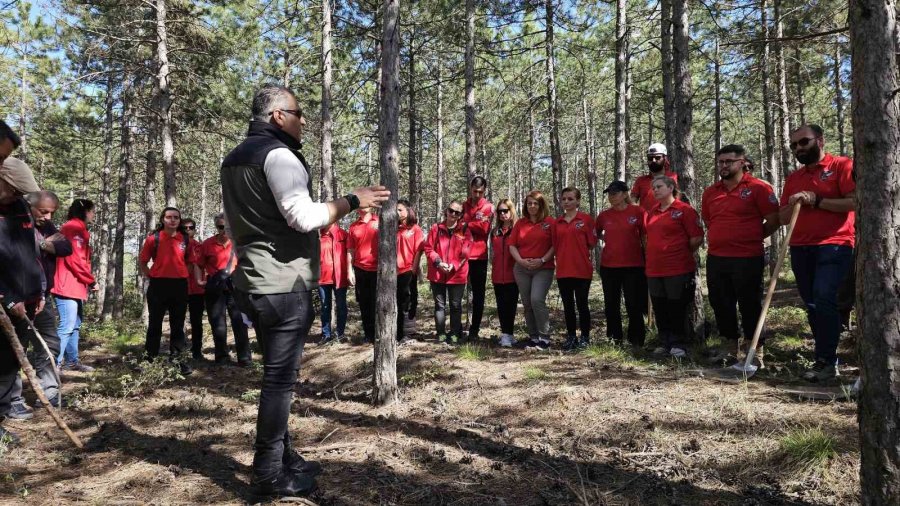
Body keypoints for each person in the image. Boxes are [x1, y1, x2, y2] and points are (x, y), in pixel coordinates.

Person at [220, 84, 388, 497]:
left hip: (253, 282)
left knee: (276, 378)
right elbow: (301, 215)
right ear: (278, 115)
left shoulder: (234, 158)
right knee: (279, 383)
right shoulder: (278, 155)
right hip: (282, 284)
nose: (303, 122)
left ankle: (282, 457)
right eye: (298, 113)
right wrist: (353, 200)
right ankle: (267, 473)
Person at [780, 124, 855, 382]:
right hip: (800, 246)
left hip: (835, 243)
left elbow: (855, 201)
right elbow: (781, 218)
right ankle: (823, 356)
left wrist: (817, 200)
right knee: (812, 303)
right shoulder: (793, 178)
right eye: (793, 146)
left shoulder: (841, 165)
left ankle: (828, 359)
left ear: (820, 140)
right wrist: (793, 205)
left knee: (825, 297)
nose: (798, 148)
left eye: (803, 142)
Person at [702, 145, 780, 366]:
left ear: (742, 162)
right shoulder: (711, 192)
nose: (724, 166)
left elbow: (773, 219)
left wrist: (753, 236)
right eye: (720, 162)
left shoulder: (758, 188)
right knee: (721, 303)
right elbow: (709, 221)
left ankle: (755, 350)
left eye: (729, 161)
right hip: (717, 257)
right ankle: (729, 346)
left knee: (750, 304)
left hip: (748, 256)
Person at [7, 191, 72, 420]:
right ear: (29, 206)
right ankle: (12, 401)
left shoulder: (46, 227)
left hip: (41, 297)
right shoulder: (14, 224)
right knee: (15, 349)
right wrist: (44, 246)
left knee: (50, 343)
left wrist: (42, 242)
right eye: (43, 211)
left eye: (52, 213)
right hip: (17, 300)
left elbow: (65, 247)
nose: (47, 216)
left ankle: (49, 392)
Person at [0, 154, 43, 445]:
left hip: (24, 299)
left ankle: (2, 415)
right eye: (12, 188)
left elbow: (31, 252)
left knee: (8, 361)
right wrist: (7, 296)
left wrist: (37, 289)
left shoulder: (20, 208)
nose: (16, 195)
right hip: (6, 297)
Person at [644, 176, 703, 358]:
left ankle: (679, 344)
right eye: (653, 188)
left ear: (671, 188)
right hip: (654, 269)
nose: (655, 190)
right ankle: (665, 342)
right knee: (660, 307)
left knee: (676, 306)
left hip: (678, 268)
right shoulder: (652, 212)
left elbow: (696, 238)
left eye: (659, 186)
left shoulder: (684, 210)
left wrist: (678, 252)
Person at [138, 206, 194, 376]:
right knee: (155, 325)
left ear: (179, 220)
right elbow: (143, 261)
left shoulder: (185, 239)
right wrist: (152, 275)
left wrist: (183, 274)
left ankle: (178, 361)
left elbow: (191, 261)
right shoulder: (153, 238)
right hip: (158, 286)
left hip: (179, 286)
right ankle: (149, 360)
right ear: (163, 219)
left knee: (177, 326)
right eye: (169, 217)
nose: (172, 220)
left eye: (176, 217)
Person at [595, 181, 647, 347]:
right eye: (609, 193)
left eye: (615, 193)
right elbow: (595, 234)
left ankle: (636, 340)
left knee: (633, 304)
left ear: (625, 194)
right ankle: (614, 338)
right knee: (611, 304)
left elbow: (646, 236)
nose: (611, 196)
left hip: (633, 265)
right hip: (609, 266)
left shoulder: (638, 212)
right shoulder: (603, 216)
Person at [195, 213, 251, 365]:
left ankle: (244, 357)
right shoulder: (207, 244)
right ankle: (221, 357)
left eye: (228, 227)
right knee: (217, 323)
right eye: (221, 227)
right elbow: (198, 264)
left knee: (239, 322)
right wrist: (199, 280)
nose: (224, 230)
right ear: (216, 227)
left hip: (236, 287)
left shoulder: (239, 243)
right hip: (215, 287)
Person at [53, 198, 98, 372]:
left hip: (76, 284)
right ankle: (54, 364)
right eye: (92, 211)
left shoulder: (78, 228)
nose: (94, 215)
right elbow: (75, 259)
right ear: (85, 211)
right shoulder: (73, 228)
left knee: (76, 324)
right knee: (67, 325)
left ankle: (72, 362)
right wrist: (91, 280)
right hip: (66, 284)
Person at [509, 190, 556, 350]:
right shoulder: (521, 223)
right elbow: (512, 245)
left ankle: (545, 337)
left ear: (541, 205)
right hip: (522, 269)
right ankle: (534, 337)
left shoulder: (550, 222)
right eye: (529, 203)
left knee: (537, 299)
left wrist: (542, 260)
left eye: (536, 203)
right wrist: (521, 261)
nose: (532, 206)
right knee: (527, 303)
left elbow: (554, 245)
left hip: (543, 268)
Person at [553, 187, 597, 350]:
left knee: (582, 304)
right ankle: (571, 337)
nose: (567, 202)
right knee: (568, 305)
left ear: (578, 201)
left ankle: (585, 337)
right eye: (564, 199)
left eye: (570, 199)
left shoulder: (586, 219)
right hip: (563, 270)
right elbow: (554, 245)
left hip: (582, 270)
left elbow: (592, 243)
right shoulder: (557, 222)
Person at [423, 200, 473, 345]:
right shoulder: (435, 228)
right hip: (437, 274)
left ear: (460, 215)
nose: (453, 214)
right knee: (439, 305)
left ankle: (455, 335)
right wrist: (438, 262)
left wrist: (453, 265)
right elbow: (428, 248)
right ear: (446, 210)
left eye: (457, 212)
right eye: (451, 210)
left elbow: (466, 253)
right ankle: (441, 335)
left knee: (455, 305)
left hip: (457, 274)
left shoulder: (465, 230)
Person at [461, 176, 493, 340]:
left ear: (484, 190)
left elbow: (484, 229)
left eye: (480, 192)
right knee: (458, 291)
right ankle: (457, 327)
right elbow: (458, 225)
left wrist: (468, 224)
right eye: (475, 191)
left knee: (478, 294)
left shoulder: (487, 207)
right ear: (470, 189)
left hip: (479, 255)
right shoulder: (464, 205)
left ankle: (475, 329)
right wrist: (470, 224)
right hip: (462, 254)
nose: (477, 194)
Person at [347, 207, 379, 344]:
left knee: (378, 303)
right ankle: (368, 334)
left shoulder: (380, 222)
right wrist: (349, 270)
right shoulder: (353, 227)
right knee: (364, 304)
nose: (363, 207)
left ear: (371, 206)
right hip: (360, 269)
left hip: (379, 270)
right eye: (360, 204)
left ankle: (380, 332)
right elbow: (350, 250)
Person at [491, 198, 518, 348]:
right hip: (497, 275)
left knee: (511, 305)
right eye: (500, 211)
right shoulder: (495, 232)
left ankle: (509, 333)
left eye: (505, 211)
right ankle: (506, 334)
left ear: (511, 211)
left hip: (513, 274)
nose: (502, 214)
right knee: (501, 305)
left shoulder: (517, 229)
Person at [396, 199, 424, 344]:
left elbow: (419, 251)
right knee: (397, 303)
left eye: (400, 209)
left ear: (408, 211)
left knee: (408, 301)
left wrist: (414, 269)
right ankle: (398, 333)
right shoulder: (393, 228)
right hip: (393, 273)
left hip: (408, 270)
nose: (397, 212)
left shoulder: (415, 229)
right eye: (396, 209)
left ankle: (409, 332)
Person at [317, 221, 350, 345]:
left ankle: (340, 334)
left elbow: (350, 254)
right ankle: (326, 335)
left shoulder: (343, 234)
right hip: (322, 279)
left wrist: (350, 272)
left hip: (340, 277)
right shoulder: (318, 237)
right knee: (325, 307)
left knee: (341, 306)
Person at [182, 218, 207, 361]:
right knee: (178, 320)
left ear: (194, 229)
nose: (187, 230)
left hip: (197, 290)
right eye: (184, 228)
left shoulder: (200, 246)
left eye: (190, 227)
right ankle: (178, 350)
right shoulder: (176, 246)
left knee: (196, 321)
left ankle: (197, 350)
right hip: (180, 289)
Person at [631, 143, 679, 212]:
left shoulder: (673, 177)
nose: (653, 160)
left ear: (664, 158)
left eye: (657, 157)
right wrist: (642, 213)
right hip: (646, 221)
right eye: (650, 158)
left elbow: (678, 200)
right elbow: (633, 201)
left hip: (668, 219)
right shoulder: (640, 180)